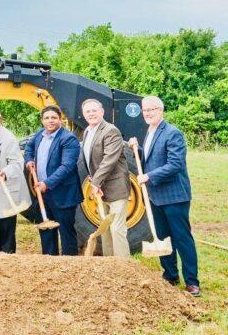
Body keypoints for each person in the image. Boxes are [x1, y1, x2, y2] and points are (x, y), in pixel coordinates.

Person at [129, 96, 200, 296]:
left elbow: (175, 164)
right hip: (155, 196)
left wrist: (149, 176)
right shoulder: (150, 131)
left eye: (152, 109)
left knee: (182, 239)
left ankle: (192, 282)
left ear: (161, 110)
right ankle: (170, 275)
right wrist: (138, 149)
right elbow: (152, 157)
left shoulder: (172, 133)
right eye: (145, 110)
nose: (148, 113)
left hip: (174, 196)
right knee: (162, 237)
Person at [24, 106, 82, 256]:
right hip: (43, 194)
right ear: (42, 120)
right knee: (47, 231)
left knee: (66, 232)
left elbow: (67, 166)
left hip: (63, 194)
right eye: (47, 118)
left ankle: (70, 264)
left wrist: (47, 184)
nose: (50, 121)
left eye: (53, 117)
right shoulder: (39, 135)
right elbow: (29, 147)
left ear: (60, 119)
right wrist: (29, 160)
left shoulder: (68, 138)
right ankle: (50, 263)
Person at [80, 99, 130, 258]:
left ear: (102, 112)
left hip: (116, 187)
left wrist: (95, 182)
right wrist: (93, 177)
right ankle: (110, 266)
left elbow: (109, 159)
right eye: (87, 111)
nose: (91, 114)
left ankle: (123, 266)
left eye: (94, 110)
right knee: (105, 229)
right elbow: (90, 158)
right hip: (100, 188)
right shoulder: (87, 131)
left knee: (116, 229)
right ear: (83, 114)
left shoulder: (110, 131)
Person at [0, 105, 30, 253]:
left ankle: (9, 259)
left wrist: (5, 172)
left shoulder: (8, 138)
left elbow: (17, 162)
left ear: (0, 118)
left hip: (5, 191)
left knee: (6, 231)